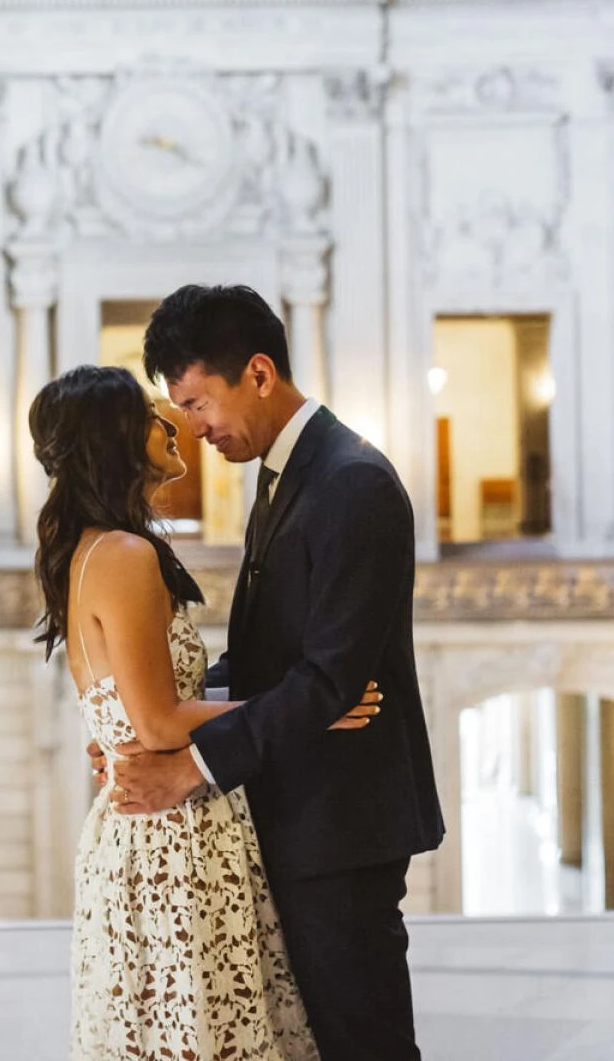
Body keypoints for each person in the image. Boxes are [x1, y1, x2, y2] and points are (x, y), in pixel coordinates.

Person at [106, 284, 446, 1061]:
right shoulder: (282, 473)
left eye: (198, 403)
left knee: (366, 1045)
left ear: (258, 372)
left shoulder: (352, 480)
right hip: (298, 811)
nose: (193, 428)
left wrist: (189, 767)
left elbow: (330, 680)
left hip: (342, 823)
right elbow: (267, 657)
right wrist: (150, 722)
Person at [35, 364, 379, 1059]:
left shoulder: (100, 549)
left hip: (151, 829)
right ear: (112, 436)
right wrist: (306, 708)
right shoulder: (124, 554)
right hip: (174, 839)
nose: (172, 424)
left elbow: (147, 710)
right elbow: (160, 723)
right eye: (151, 414)